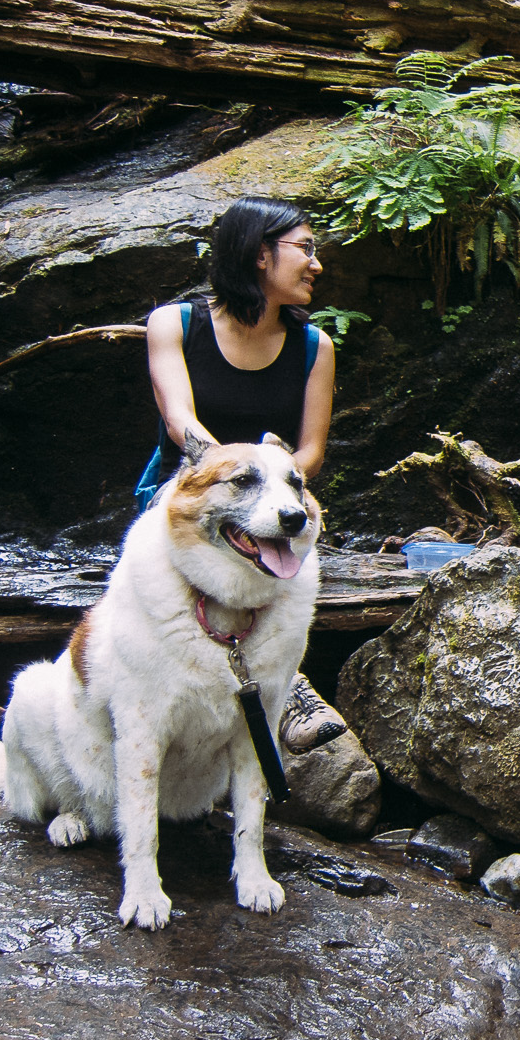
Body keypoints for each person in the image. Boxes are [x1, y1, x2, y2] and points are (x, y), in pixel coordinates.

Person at [142, 194, 347, 755]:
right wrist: (231, 478)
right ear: (260, 253)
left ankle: (284, 684)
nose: (316, 264)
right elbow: (180, 421)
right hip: (191, 489)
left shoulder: (314, 347)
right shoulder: (175, 324)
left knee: (286, 536)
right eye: (305, 248)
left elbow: (310, 452)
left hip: (278, 494)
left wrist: (274, 481)